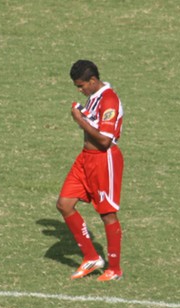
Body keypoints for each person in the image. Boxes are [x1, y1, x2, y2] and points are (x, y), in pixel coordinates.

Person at [56, 60, 125, 281]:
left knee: (107, 214)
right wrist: (82, 113)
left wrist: (79, 120)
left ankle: (114, 269)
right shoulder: (94, 97)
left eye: (81, 86)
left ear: (93, 81)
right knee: (64, 204)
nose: (79, 89)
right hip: (85, 159)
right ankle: (91, 257)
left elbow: (105, 140)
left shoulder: (110, 100)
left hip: (104, 161)